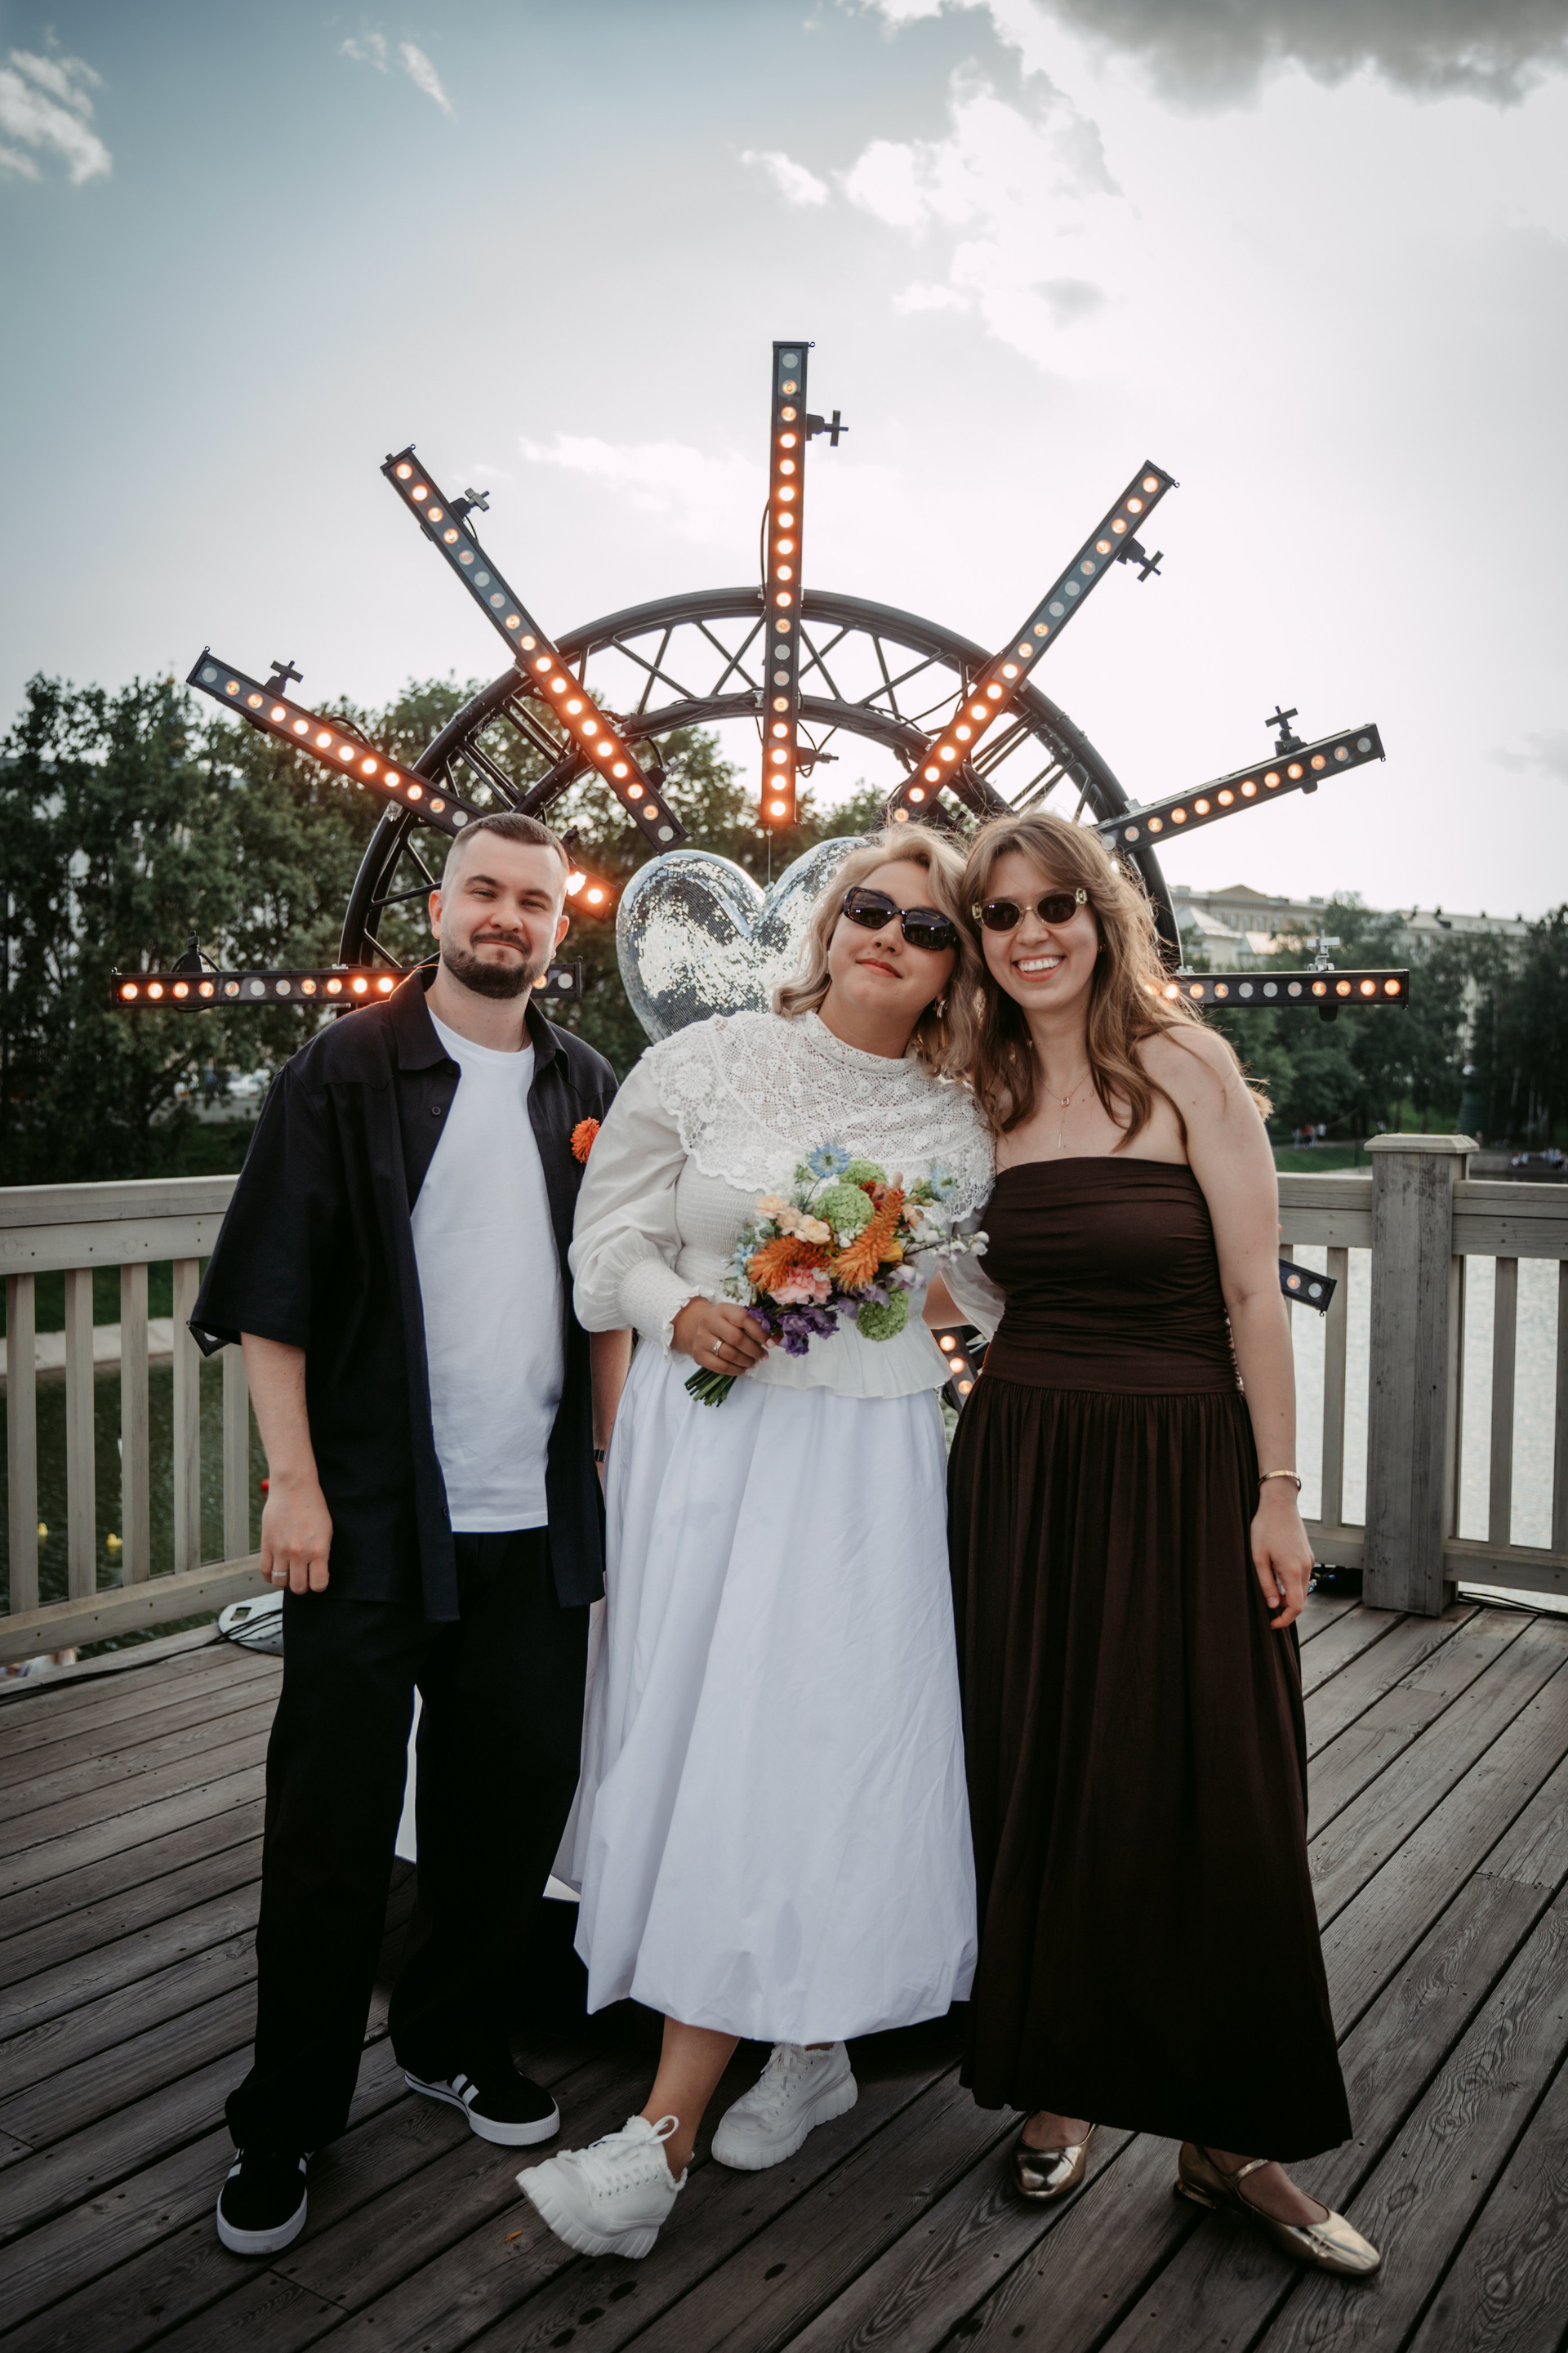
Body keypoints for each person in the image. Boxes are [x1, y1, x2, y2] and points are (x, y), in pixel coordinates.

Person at [518, 828, 994, 2262]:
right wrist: (678, 1308)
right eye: (871, 907)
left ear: (954, 967)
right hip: (704, 1446)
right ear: (829, 923)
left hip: (860, 1461)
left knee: (824, 1739)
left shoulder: (966, 1119)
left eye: (928, 926)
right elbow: (603, 1243)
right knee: (704, 1733)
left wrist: (870, 1292)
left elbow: (989, 1285)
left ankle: (720, 2097)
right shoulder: (704, 1060)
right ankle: (792, 2050)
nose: (890, 934)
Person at [942, 811, 1381, 2280]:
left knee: (1220, 1783)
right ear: (982, 939)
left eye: (1055, 904)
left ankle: (1229, 2138)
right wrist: (792, 1273)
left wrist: (1279, 1489)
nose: (1032, 934)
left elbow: (1255, 1296)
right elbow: (948, 1283)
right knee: (1045, 1768)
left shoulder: (1187, 1065)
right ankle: (1057, 2078)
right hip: (1025, 1464)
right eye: (1002, 914)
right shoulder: (978, 1085)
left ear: (1101, 914)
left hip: (1190, 1460)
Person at [190, 812, 628, 2257]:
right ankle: (287, 2115)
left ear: (559, 926)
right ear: (439, 908)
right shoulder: (342, 1069)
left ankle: (451, 2040)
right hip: (373, 1515)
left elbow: (611, 1291)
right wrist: (293, 1482)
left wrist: (612, 1465)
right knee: (328, 1829)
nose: (507, 917)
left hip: (534, 1522)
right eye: (484, 891)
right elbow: (272, 1292)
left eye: (534, 901)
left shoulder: (587, 1082)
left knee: (506, 1809)